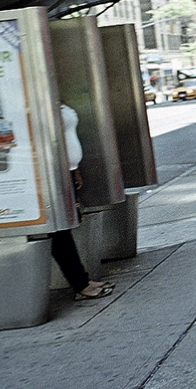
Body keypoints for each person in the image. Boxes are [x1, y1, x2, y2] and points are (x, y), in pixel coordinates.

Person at [51, 103, 114, 300]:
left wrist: (74, 167)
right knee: (60, 232)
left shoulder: (55, 98)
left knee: (65, 229)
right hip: (55, 173)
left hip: (67, 171)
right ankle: (80, 283)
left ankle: (83, 280)